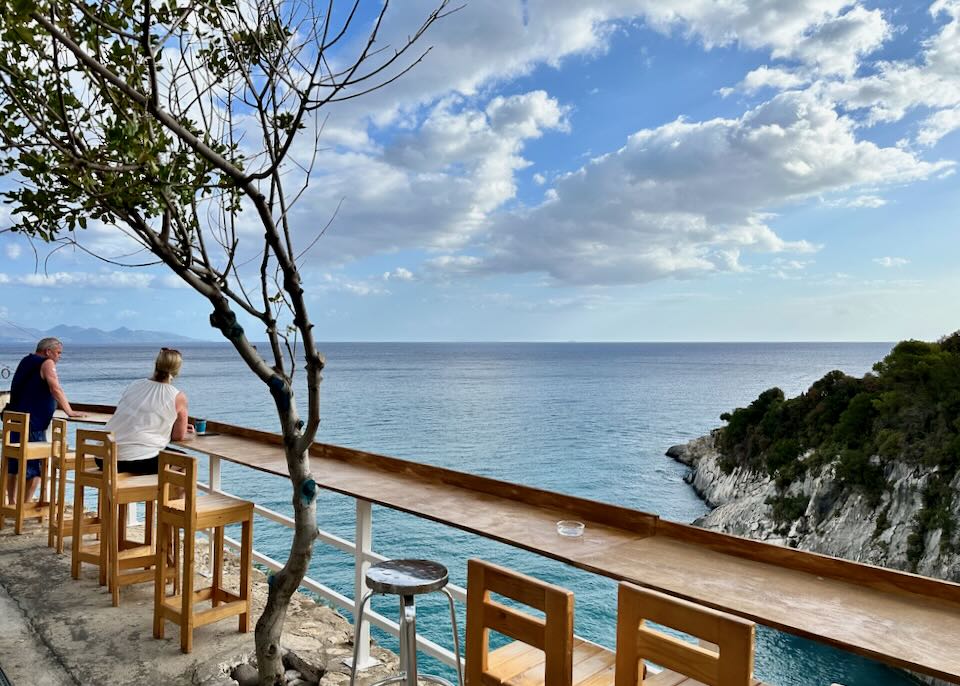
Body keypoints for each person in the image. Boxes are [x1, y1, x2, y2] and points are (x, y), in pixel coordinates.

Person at [4, 337, 84, 507]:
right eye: (58, 353)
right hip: (33, 423)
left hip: (15, 418)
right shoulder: (47, 363)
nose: (59, 357)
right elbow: (55, 387)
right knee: (37, 469)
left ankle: (11, 503)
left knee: (14, 466)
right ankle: (24, 506)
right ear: (48, 351)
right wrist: (69, 411)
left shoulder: (26, 360)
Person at [103, 348, 195, 475]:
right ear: (177, 371)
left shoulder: (134, 385)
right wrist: (179, 428)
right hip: (136, 460)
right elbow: (177, 436)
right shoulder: (178, 397)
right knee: (186, 462)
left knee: (159, 456)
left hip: (103, 457)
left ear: (156, 365)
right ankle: (166, 495)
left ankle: (155, 494)